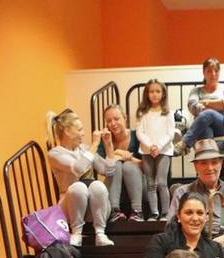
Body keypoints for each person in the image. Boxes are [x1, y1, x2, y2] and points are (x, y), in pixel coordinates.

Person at [46, 108, 118, 248]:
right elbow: (78, 169)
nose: (83, 133)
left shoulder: (85, 149)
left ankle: (100, 233)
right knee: (78, 187)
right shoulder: (55, 154)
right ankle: (76, 233)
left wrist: (108, 145)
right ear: (67, 131)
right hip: (70, 208)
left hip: (95, 209)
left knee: (97, 185)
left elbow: (108, 170)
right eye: (79, 129)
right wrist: (95, 145)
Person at [143, 190, 224, 258]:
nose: (195, 218)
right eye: (189, 212)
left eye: (200, 213)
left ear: (206, 217)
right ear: (178, 216)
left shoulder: (216, 249)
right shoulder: (160, 242)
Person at [135, 78, 176, 219]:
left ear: (163, 94)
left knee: (162, 182)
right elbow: (140, 132)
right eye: (151, 91)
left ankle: (165, 212)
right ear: (146, 94)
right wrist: (150, 146)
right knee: (150, 183)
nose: (154, 94)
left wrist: (158, 146)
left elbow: (170, 133)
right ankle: (154, 212)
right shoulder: (142, 112)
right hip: (147, 151)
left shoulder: (168, 113)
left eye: (158, 91)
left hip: (163, 151)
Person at [97, 104, 144, 220]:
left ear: (125, 118)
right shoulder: (105, 140)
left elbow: (147, 167)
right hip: (115, 188)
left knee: (128, 166)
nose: (113, 123)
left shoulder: (137, 136)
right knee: (115, 165)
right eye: (109, 121)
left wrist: (129, 158)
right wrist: (115, 152)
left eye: (116, 119)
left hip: (138, 185)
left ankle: (137, 211)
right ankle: (114, 211)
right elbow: (103, 170)